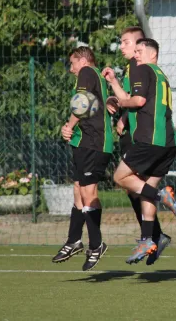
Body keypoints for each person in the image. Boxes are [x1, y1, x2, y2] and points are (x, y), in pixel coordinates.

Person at [106, 38, 176, 264]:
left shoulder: (143, 69)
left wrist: (119, 104)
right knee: (145, 188)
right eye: (135, 51)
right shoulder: (161, 75)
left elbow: (137, 100)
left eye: (139, 51)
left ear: (152, 54)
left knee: (120, 177)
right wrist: (114, 84)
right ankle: (148, 239)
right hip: (168, 142)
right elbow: (134, 98)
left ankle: (163, 196)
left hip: (150, 139)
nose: (136, 55)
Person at [53, 46, 112, 271]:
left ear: (84, 60)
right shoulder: (94, 76)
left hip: (95, 143)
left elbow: (84, 101)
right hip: (86, 142)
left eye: (72, 63)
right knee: (78, 189)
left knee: (88, 192)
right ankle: (74, 240)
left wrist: (68, 125)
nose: (71, 69)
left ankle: (96, 244)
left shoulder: (87, 72)